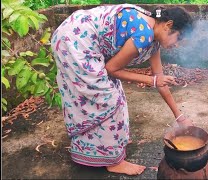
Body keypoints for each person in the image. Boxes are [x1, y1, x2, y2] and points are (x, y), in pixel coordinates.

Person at [51, 4, 194, 176]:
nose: (177, 45)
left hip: (78, 36)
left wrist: (180, 117)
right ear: (168, 25)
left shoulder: (152, 36)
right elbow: (112, 69)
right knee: (108, 98)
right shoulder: (144, 35)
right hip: (75, 41)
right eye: (178, 39)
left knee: (116, 95)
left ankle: (101, 148)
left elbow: (160, 81)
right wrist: (152, 80)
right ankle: (113, 161)